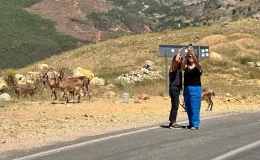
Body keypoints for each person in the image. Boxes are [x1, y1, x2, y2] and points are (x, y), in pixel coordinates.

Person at [181, 45, 202, 130]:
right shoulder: (186, 67)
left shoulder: (198, 67)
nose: (190, 57)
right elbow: (182, 66)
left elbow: (197, 62)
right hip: (187, 88)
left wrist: (192, 53)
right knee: (188, 106)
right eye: (189, 56)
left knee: (195, 106)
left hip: (195, 88)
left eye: (191, 57)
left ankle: (195, 124)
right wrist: (186, 57)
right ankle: (191, 123)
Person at [168, 48, 183, 129]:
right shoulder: (173, 67)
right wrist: (179, 52)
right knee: (175, 105)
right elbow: (176, 60)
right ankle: (173, 123)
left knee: (174, 105)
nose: (180, 59)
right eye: (179, 57)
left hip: (176, 88)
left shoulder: (178, 69)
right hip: (174, 87)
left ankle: (171, 121)